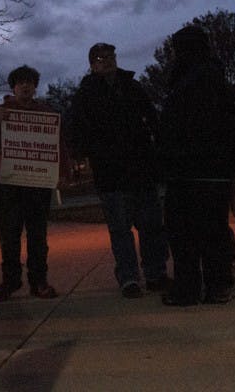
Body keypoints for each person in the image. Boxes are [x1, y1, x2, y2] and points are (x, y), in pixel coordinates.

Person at [67, 43, 169, 299]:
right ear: (92, 64)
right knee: (121, 231)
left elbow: (152, 120)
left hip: (141, 169)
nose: (108, 61)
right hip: (111, 175)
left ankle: (155, 274)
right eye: (101, 58)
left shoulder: (132, 87)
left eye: (111, 56)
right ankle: (129, 278)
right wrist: (96, 151)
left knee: (151, 227)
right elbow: (75, 131)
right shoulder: (85, 94)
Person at [157, 26, 235, 305]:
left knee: (183, 233)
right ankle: (217, 285)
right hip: (215, 171)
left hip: (187, 172)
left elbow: (170, 130)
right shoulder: (218, 82)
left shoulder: (182, 86)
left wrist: (166, 161)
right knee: (214, 231)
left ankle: (188, 288)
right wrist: (232, 161)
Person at [0, 65, 68, 301]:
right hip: (8, 185)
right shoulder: (0, 112)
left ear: (35, 86)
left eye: (29, 82)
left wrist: (60, 172)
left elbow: (57, 145)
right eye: (21, 82)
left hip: (37, 185)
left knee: (38, 237)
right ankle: (10, 282)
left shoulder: (46, 113)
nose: (25, 86)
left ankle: (38, 281)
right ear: (13, 87)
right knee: (9, 237)